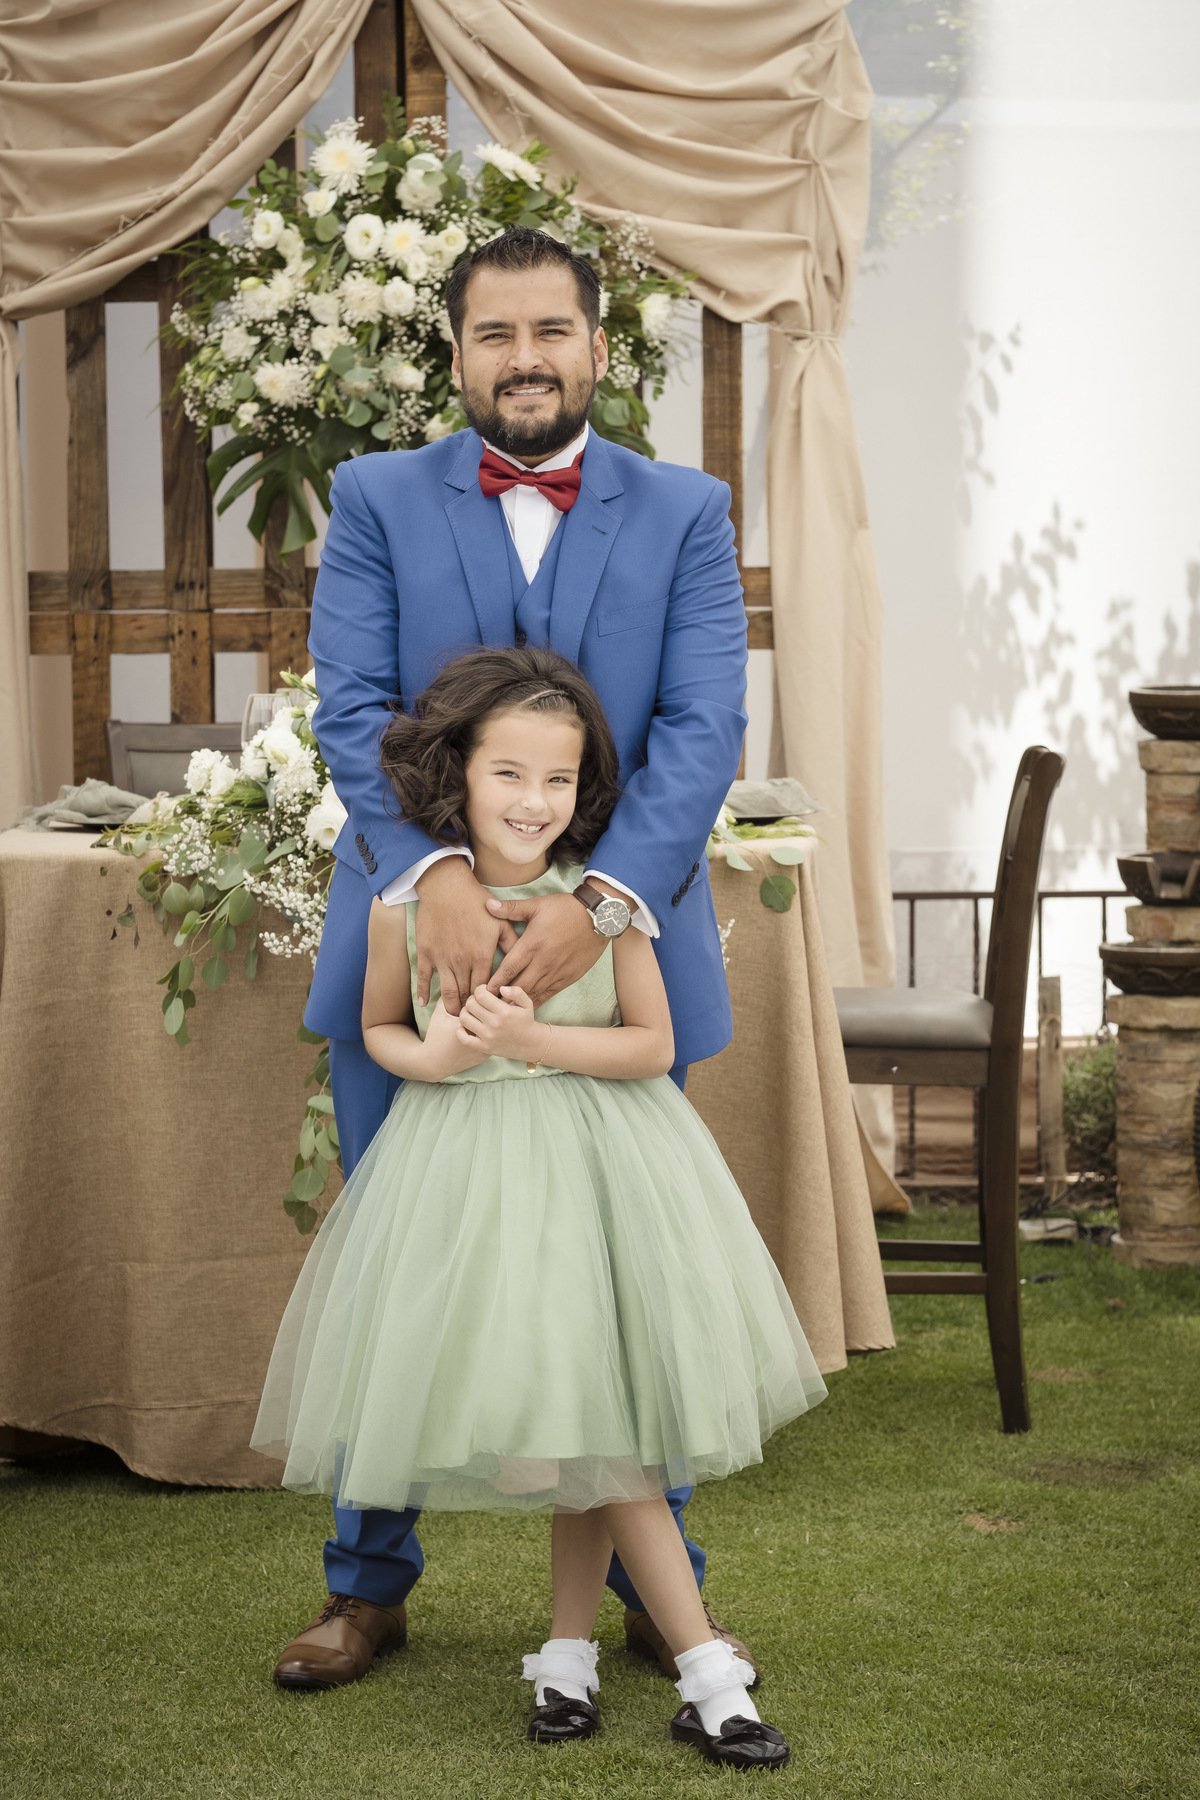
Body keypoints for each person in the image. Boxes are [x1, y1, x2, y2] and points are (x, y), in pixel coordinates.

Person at [276, 223, 753, 1697]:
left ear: (599, 348)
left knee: (624, 1291)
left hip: (618, 951)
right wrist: (429, 883)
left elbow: (701, 731)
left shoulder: (684, 508)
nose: (527, 359)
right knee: (400, 1275)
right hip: (412, 948)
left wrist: (598, 902)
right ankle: (369, 1586)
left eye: (553, 332)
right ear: (459, 350)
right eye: (496, 335)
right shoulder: (372, 496)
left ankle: (642, 1590)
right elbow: (351, 700)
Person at [253, 648, 827, 1768]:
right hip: (468, 1182)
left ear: (585, 788)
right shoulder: (405, 904)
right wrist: (441, 1052)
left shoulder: (601, 904)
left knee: (596, 1431)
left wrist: (527, 1039)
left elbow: (651, 1047)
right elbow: (378, 1032)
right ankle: (685, 1669)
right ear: (457, 776)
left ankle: (631, 1662)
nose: (532, 802)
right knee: (586, 1432)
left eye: (557, 781)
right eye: (508, 774)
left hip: (605, 1176)